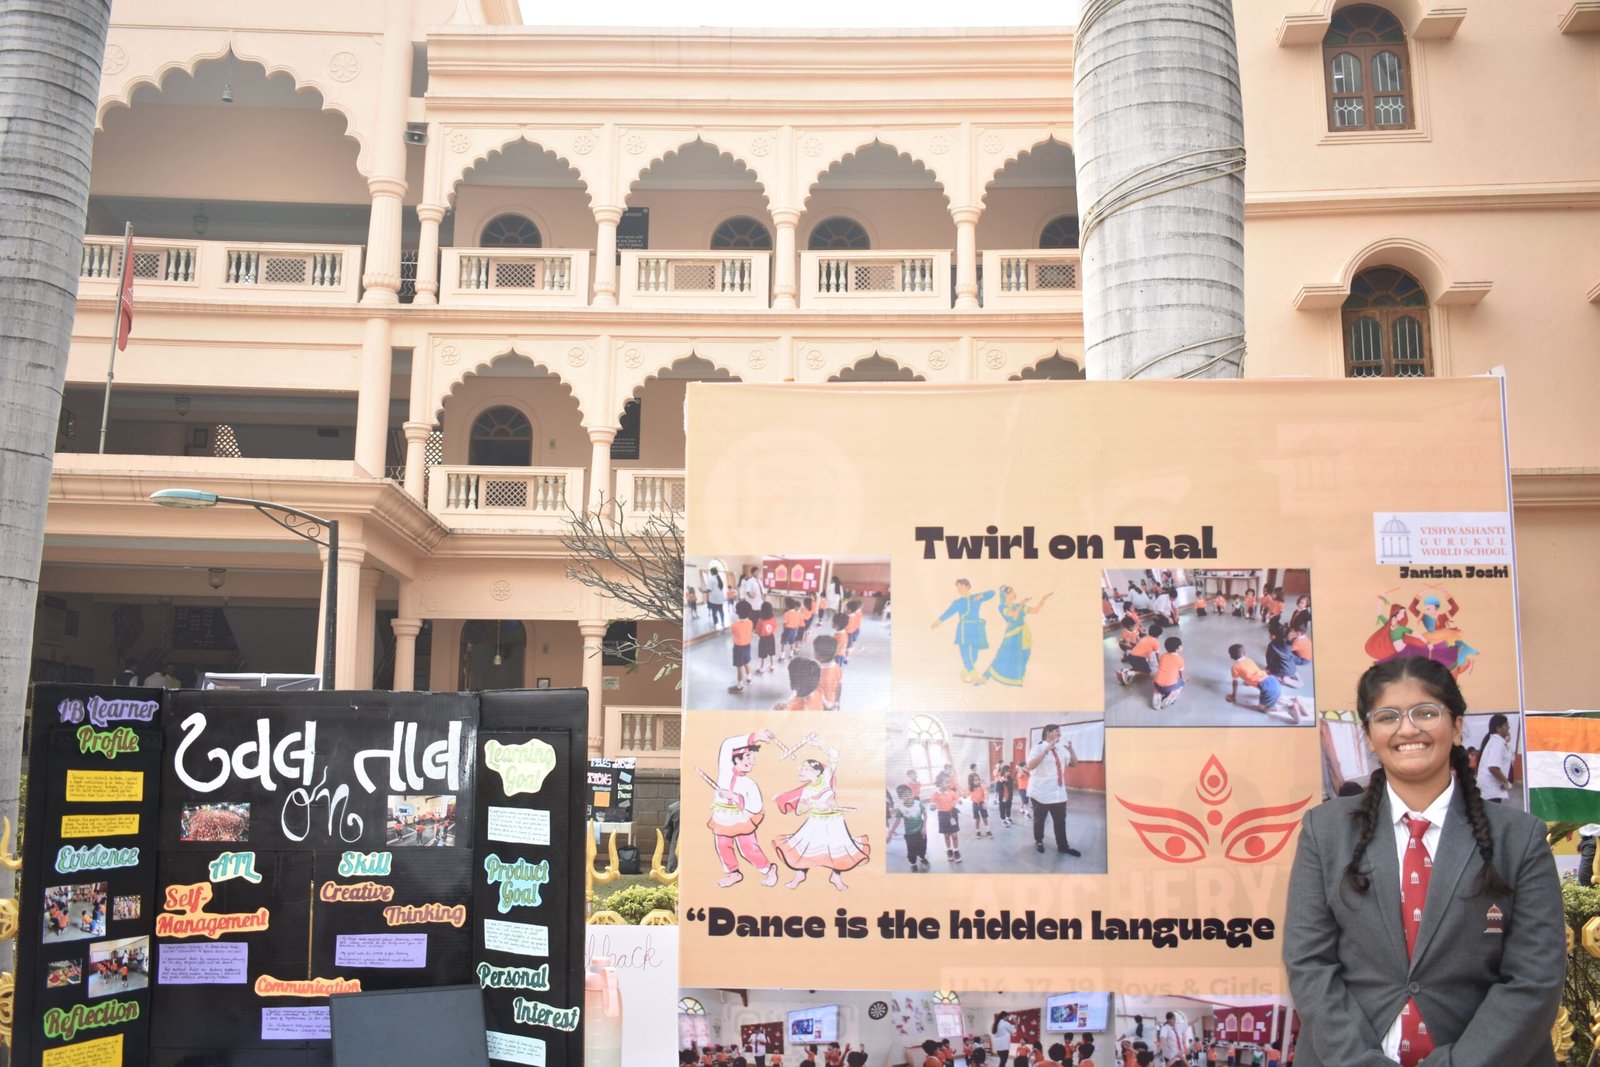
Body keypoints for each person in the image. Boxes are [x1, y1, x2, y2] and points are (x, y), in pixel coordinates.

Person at [1283, 657, 1564, 1066]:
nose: (1408, 729)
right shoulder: (1324, 831)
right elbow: (1309, 964)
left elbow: (1534, 978)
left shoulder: (1520, 838)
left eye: (1426, 712)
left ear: (1457, 726)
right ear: (1369, 735)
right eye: (1387, 717)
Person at [772, 741, 870, 890]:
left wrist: (819, 745)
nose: (800, 771)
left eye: (805, 769)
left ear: (817, 772)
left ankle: (836, 876)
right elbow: (799, 811)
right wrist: (813, 804)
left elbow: (835, 754)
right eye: (800, 769)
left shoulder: (826, 776)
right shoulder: (807, 790)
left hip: (834, 821)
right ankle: (800, 874)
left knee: (836, 848)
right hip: (815, 822)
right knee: (806, 848)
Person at [708, 729, 781, 888]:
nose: (752, 762)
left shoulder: (749, 784)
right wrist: (755, 737)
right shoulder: (725, 770)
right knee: (723, 845)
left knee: (748, 848)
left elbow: (756, 806)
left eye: (754, 758)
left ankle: (769, 869)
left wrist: (735, 797)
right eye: (749, 757)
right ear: (736, 758)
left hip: (741, 818)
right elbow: (728, 744)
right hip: (722, 816)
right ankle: (734, 873)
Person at [1025, 723, 1081, 856]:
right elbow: (1030, 766)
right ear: (1048, 732)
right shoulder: (1037, 748)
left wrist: (1071, 750)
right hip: (1040, 793)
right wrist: (1046, 750)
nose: (1060, 734)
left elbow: (1074, 764)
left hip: (1058, 793)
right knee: (1040, 820)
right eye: (1057, 731)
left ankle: (1063, 846)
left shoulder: (1060, 749)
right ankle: (1039, 841)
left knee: (1060, 821)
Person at [980, 586, 1053, 686]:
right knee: (1003, 655)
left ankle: (1017, 680)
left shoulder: (1017, 606)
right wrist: (1021, 605)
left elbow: (1035, 611)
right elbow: (1013, 614)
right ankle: (986, 676)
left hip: (1023, 632)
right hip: (1011, 635)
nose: (1013, 593)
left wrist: (1043, 600)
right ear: (1005, 595)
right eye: (1010, 592)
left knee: (1023, 655)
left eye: (1013, 591)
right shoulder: (1002, 606)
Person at [934, 579, 996, 683]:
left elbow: (992, 593)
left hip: (975, 629)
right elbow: (948, 612)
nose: (959, 589)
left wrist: (981, 595)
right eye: (957, 587)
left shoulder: (975, 598)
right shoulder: (957, 602)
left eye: (961, 586)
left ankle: (964, 673)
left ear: (967, 586)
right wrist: (939, 621)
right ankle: (975, 676)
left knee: (974, 656)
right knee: (966, 654)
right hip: (963, 630)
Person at [1475, 712, 1514, 804]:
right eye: (1506, 725)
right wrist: (1505, 781)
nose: (1508, 727)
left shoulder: (1497, 742)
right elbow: (1493, 767)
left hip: (1490, 789)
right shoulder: (1497, 744)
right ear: (1498, 728)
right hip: (1490, 790)